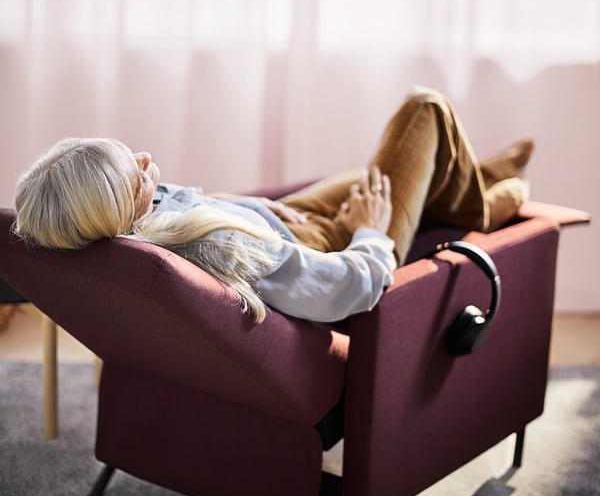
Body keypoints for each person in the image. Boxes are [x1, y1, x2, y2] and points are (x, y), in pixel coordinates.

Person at [13, 87, 533, 324]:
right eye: (137, 171)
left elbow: (193, 203)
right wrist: (369, 232)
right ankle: (486, 201)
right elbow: (342, 291)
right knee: (426, 111)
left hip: (268, 223)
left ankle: (480, 175)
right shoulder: (223, 247)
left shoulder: (115, 234)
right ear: (118, 212)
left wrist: (251, 210)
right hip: (314, 248)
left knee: (372, 173)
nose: (148, 159)